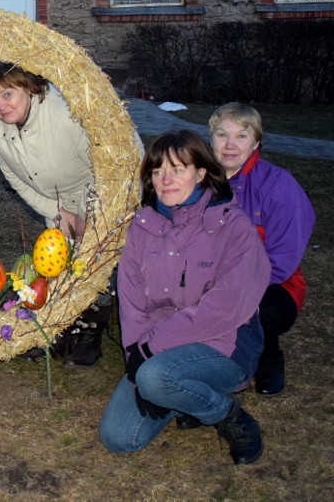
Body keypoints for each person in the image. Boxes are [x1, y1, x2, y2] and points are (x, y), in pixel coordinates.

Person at [99, 130, 270, 465]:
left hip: (223, 343)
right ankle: (180, 398)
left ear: (202, 172)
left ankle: (227, 415)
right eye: (157, 171)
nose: (166, 180)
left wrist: (150, 352)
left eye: (178, 169)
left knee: (155, 377)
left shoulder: (233, 226)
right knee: (118, 437)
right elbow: (131, 301)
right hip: (155, 348)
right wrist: (134, 354)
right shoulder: (142, 225)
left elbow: (225, 308)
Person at [0, 62, 108, 365]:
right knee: (55, 263)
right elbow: (12, 176)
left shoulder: (65, 113)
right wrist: (58, 212)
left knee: (98, 261)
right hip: (56, 200)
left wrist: (91, 213)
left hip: (99, 189)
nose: (0, 106)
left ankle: (91, 334)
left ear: (29, 88)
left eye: (8, 94)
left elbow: (107, 163)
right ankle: (58, 327)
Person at [209, 102, 315, 396]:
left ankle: (269, 362)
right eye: (222, 135)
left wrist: (235, 288)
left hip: (273, 282)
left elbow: (283, 259)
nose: (230, 145)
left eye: (241, 136)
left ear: (256, 142)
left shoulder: (278, 184)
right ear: (211, 138)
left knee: (258, 309)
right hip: (210, 277)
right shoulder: (196, 181)